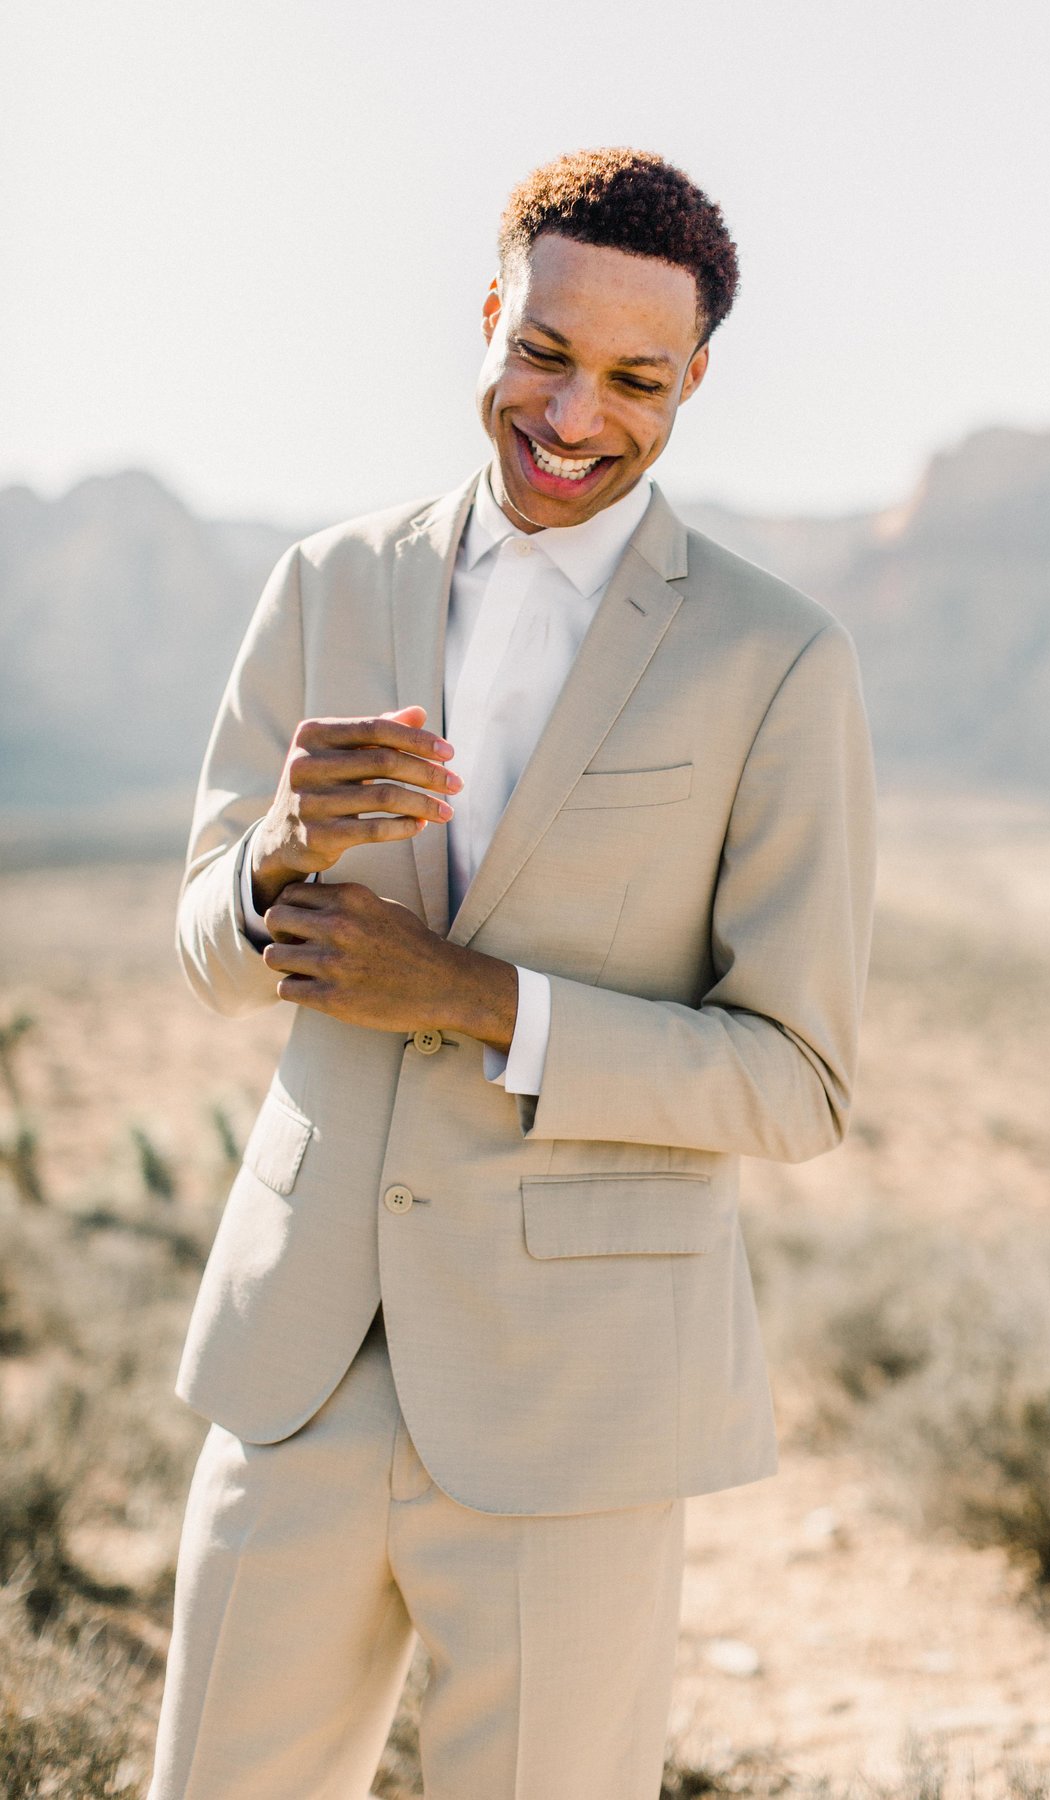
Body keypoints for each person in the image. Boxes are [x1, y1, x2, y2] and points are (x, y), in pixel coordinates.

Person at [150, 146, 876, 1800]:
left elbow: (799, 1077)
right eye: (543, 353)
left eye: (636, 379)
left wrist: (486, 1005)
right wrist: (270, 856)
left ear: (696, 378)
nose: (573, 416)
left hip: (580, 1401)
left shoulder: (777, 662)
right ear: (489, 317)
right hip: (299, 1364)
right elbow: (203, 953)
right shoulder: (331, 585)